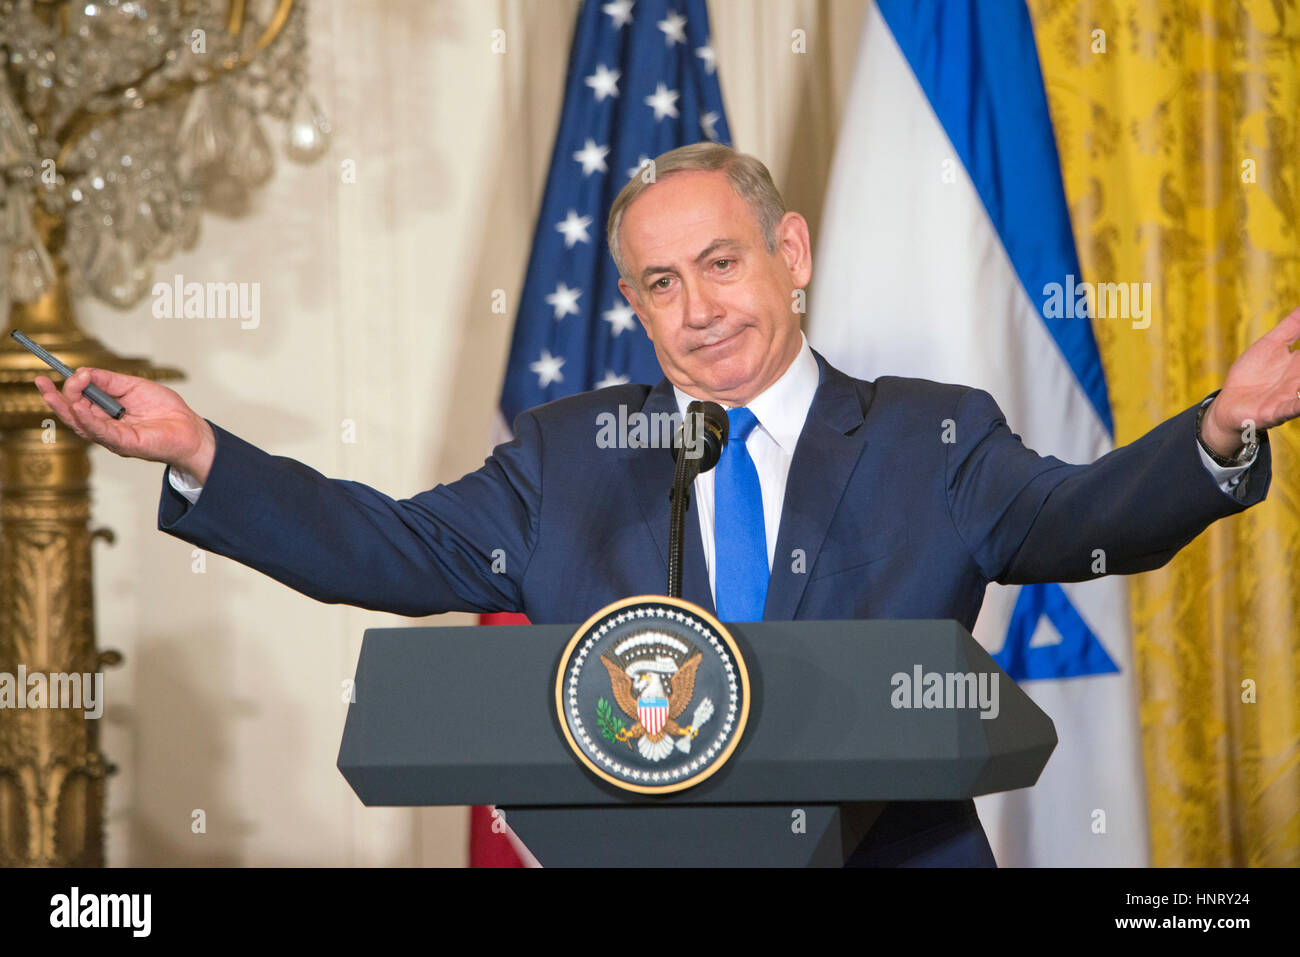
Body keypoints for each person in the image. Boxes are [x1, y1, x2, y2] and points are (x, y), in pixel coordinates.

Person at [34, 143, 1296, 866]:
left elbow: (1084, 518)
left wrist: (1217, 431)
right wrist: (203, 448)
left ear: (789, 256)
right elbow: (393, 547)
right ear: (633, 305)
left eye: (721, 264)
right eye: (657, 283)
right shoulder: (570, 451)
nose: (696, 310)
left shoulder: (933, 434)